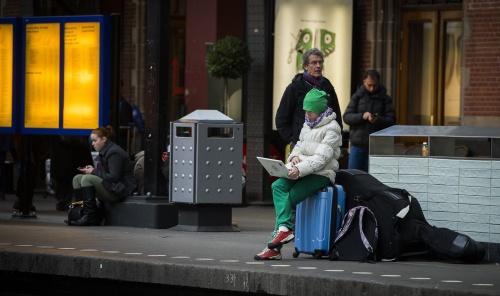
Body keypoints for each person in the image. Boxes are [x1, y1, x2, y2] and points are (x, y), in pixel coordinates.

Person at [254, 89, 342, 260]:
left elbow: (321, 159)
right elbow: (299, 146)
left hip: (321, 174)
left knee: (288, 199)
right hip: (302, 169)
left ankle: (275, 247)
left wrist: (299, 169)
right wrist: (294, 158)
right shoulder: (307, 123)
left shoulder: (332, 128)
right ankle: (284, 232)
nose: (306, 113)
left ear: (319, 109)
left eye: (309, 110)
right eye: (305, 110)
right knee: (277, 186)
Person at [67, 126, 136, 226]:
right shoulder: (105, 151)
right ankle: (80, 213)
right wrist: (91, 170)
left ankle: (90, 217)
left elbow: (114, 177)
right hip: (111, 186)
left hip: (119, 190)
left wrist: (93, 171)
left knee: (87, 179)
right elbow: (105, 174)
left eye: (95, 141)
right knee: (77, 178)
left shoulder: (114, 152)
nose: (92, 144)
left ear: (104, 139)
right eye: (92, 141)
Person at [276, 48, 343, 150]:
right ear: (305, 66)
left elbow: (337, 116)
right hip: (300, 145)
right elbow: (281, 119)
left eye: (320, 62)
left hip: (324, 145)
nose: (318, 66)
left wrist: (335, 140)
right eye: (314, 63)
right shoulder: (294, 88)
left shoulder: (328, 87)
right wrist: (292, 141)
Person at [343, 69, 396, 172]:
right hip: (358, 145)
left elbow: (392, 120)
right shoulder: (357, 97)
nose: (372, 89)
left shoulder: (385, 98)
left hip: (378, 146)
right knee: (352, 176)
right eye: (369, 85)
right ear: (364, 82)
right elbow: (347, 117)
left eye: (375, 85)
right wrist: (362, 116)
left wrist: (378, 120)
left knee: (373, 177)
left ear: (379, 83)